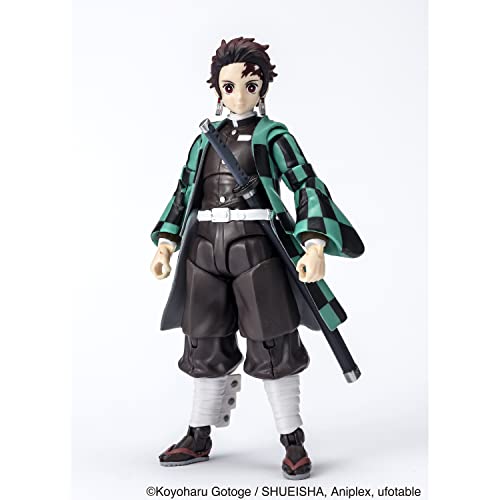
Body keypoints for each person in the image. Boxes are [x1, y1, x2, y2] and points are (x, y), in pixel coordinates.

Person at [150, 37, 364, 480]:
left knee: (272, 341)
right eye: (229, 87)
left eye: (250, 85)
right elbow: (184, 192)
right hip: (203, 248)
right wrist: (167, 242)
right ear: (217, 89)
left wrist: (314, 243)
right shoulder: (204, 141)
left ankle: (292, 439)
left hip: (257, 248)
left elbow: (306, 185)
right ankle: (198, 434)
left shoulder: (274, 137)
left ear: (263, 86)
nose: (239, 96)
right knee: (203, 341)